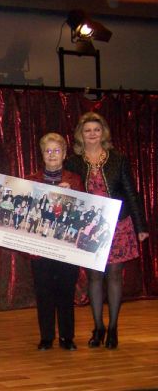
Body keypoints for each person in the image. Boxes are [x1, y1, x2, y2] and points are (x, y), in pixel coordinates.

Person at [65, 112, 149, 349]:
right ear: (81, 134)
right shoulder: (73, 162)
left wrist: (140, 226)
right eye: (88, 130)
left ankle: (113, 328)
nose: (92, 134)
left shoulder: (118, 159)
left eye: (97, 129)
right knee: (93, 276)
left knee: (113, 275)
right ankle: (98, 327)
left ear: (104, 133)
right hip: (89, 227)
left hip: (118, 225)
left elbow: (131, 192)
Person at [26, 133, 83, 351]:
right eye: (47, 151)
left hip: (67, 247)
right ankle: (47, 337)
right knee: (44, 292)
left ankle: (67, 337)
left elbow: (84, 213)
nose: (52, 155)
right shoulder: (31, 180)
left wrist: (73, 196)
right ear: (42, 154)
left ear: (64, 154)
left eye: (56, 150)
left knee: (66, 292)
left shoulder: (75, 180)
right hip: (40, 247)